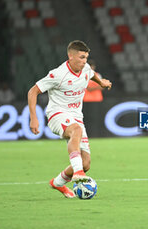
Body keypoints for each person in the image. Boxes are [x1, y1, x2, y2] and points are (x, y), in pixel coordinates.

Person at [28, 40, 112, 198]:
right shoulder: (58, 74)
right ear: (70, 56)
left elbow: (91, 74)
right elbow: (33, 92)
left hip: (76, 117)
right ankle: (77, 173)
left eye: (86, 57)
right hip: (57, 115)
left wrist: (101, 82)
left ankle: (57, 183)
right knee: (76, 131)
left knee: (86, 163)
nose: (84, 61)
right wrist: (34, 118)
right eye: (81, 57)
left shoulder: (85, 68)